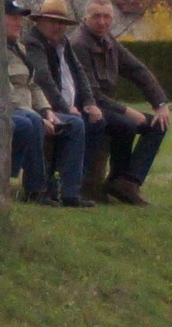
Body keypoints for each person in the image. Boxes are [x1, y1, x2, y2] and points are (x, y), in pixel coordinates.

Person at [70, 0, 169, 205]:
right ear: (86, 18)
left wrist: (160, 103)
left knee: (158, 124)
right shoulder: (79, 44)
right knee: (126, 124)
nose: (102, 22)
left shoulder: (108, 42)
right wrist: (126, 110)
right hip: (85, 108)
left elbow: (137, 70)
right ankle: (116, 180)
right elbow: (91, 94)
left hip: (106, 107)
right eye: (96, 16)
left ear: (112, 19)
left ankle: (128, 181)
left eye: (107, 16)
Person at [22, 0, 106, 207]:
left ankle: (74, 186)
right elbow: (43, 79)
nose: (57, 26)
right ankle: (64, 188)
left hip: (68, 106)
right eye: (52, 21)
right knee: (75, 124)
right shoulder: (33, 42)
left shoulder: (64, 43)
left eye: (61, 22)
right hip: (43, 106)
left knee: (97, 122)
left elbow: (79, 72)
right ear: (39, 21)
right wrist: (65, 108)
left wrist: (90, 102)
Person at [4, 0, 63, 205]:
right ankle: (35, 189)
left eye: (20, 18)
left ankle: (70, 189)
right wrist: (36, 115)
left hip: (28, 109)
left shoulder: (19, 48)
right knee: (31, 121)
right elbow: (0, 90)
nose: (19, 22)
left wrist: (47, 110)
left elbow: (34, 84)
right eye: (13, 17)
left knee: (74, 124)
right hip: (7, 109)